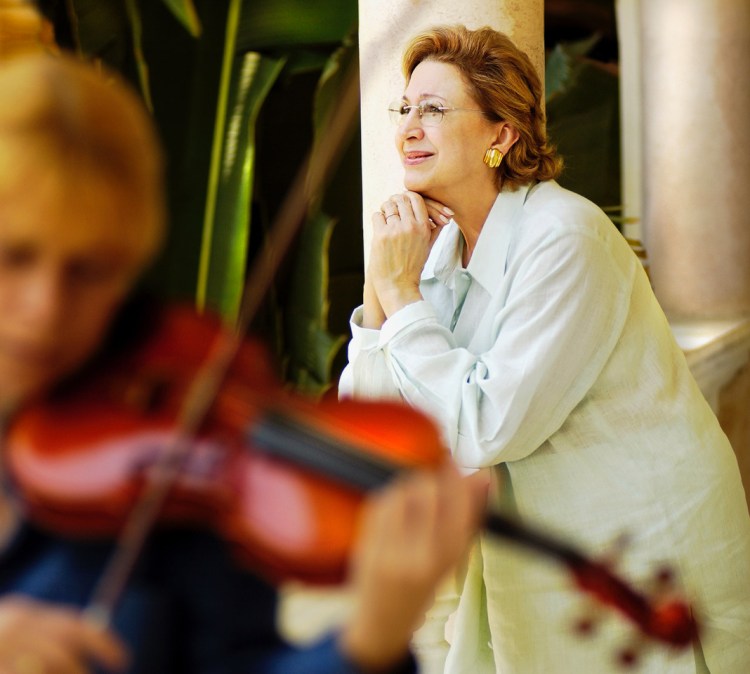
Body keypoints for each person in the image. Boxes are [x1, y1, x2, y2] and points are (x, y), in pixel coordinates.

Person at [0, 51, 487, 673]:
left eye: (90, 270)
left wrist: (368, 640)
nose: (45, 308)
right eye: (14, 257)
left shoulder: (171, 451)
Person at [339, 24, 750, 673]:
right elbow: (373, 424)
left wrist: (404, 298)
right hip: (544, 553)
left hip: (640, 552)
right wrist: (380, 290)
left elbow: (485, 426)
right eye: (405, 109)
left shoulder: (566, 239)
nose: (409, 128)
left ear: (500, 136)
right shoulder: (439, 252)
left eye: (435, 110)